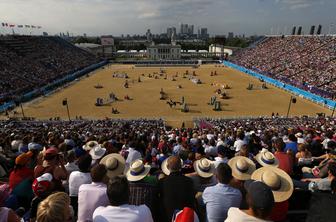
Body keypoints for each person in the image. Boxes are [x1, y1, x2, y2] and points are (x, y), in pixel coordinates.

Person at [159, 156, 195, 222]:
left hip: (167, 218)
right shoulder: (189, 181)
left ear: (167, 167)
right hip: (184, 217)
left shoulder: (161, 182)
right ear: (181, 166)